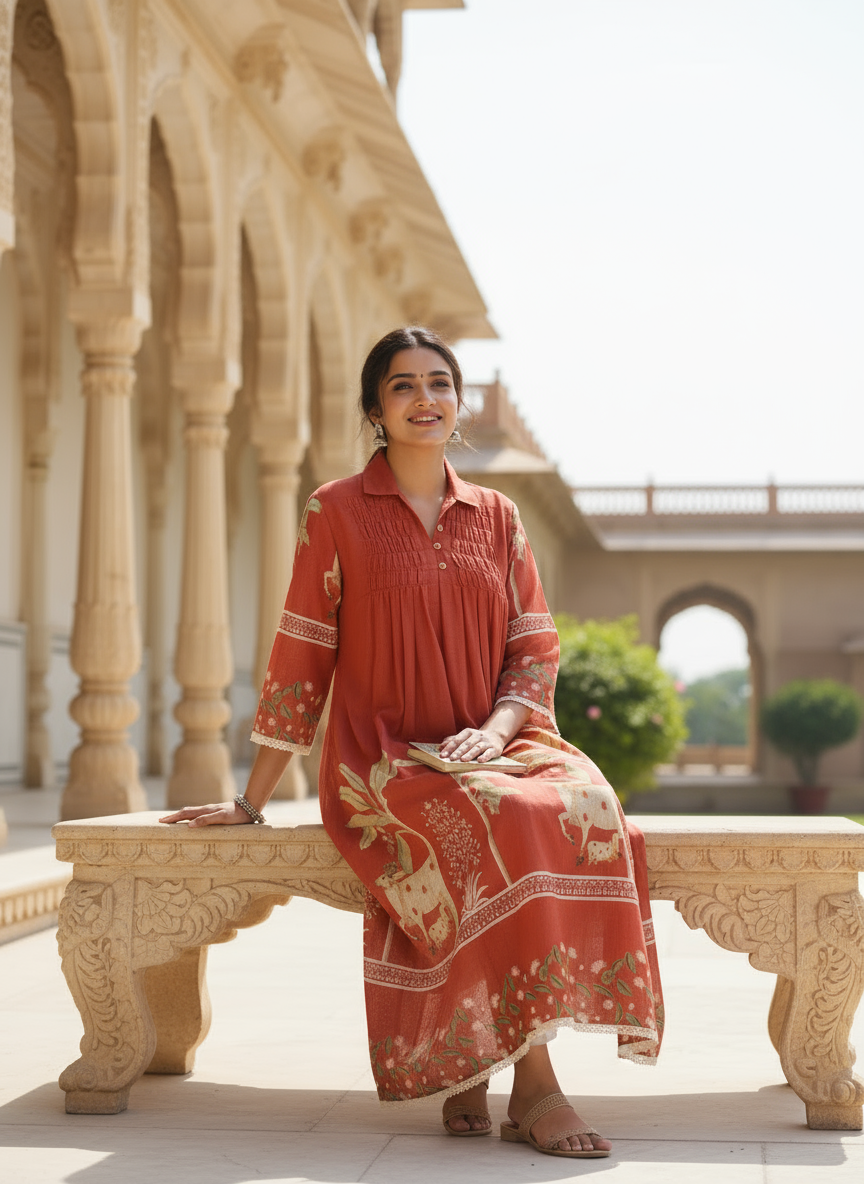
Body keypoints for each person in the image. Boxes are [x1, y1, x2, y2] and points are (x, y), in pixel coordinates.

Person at [162, 326, 663, 1159]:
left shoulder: (497, 517)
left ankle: (477, 1059)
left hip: (493, 739)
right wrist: (252, 799)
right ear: (375, 410)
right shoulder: (336, 511)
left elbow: (533, 648)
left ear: (459, 405)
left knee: (580, 803)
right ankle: (535, 1087)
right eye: (404, 386)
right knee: (499, 819)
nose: (425, 398)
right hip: (382, 761)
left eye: (440, 383)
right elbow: (301, 655)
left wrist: (499, 731)